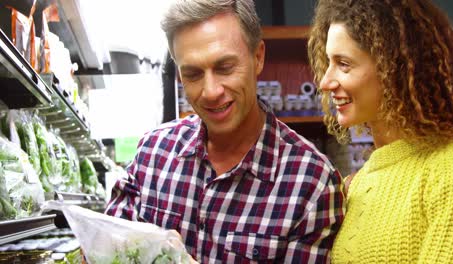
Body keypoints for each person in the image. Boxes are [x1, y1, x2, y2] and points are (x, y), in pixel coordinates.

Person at [105, 0, 345, 263]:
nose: (211, 91)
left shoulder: (313, 184)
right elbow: (105, 247)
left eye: (225, 67)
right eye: (193, 74)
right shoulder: (152, 154)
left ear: (258, 57)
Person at [308, 0, 453, 263]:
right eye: (328, 62)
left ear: (393, 69)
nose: (325, 82)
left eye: (344, 64)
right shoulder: (357, 183)